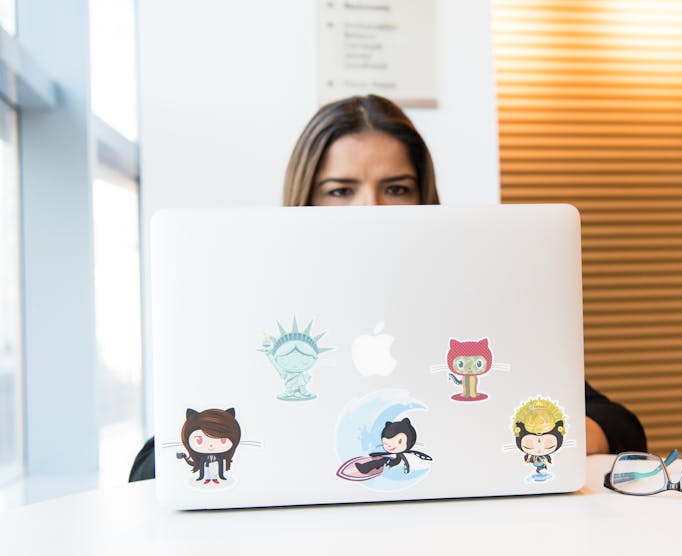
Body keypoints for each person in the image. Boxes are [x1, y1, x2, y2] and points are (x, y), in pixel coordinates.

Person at [129, 94, 645, 482]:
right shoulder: (261, 313)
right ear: (304, 199)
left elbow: (618, 425)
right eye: (341, 190)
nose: (370, 210)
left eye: (396, 188)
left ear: (425, 198)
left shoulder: (470, 298)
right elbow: (152, 464)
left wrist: (541, 436)